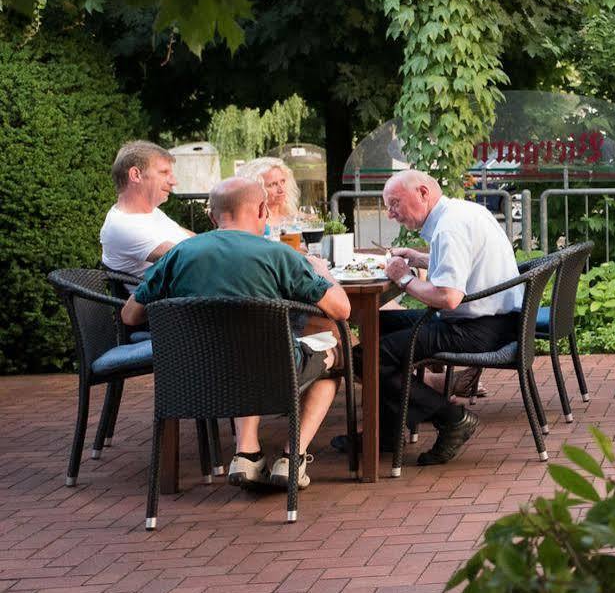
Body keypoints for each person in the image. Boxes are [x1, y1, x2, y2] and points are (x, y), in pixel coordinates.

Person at [118, 176, 348, 491]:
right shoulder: (279, 256)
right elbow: (342, 310)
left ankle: (247, 453)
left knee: (237, 353)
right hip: (274, 370)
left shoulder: (178, 255)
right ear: (263, 211)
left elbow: (130, 315)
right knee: (336, 358)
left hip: (193, 375)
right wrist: (323, 273)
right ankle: (292, 456)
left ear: (212, 217)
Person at [373, 169, 525, 465]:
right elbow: (463, 263)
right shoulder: (463, 212)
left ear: (422, 193)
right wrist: (419, 260)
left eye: (394, 203)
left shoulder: (448, 228)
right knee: (376, 327)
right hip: (497, 321)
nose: (391, 214)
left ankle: (452, 419)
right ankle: (386, 435)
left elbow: (448, 297)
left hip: (476, 328)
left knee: (367, 358)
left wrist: (403, 278)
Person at [100, 140, 194, 281]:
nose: (174, 181)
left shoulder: (151, 212)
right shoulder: (123, 226)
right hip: (175, 301)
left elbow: (193, 239)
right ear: (136, 175)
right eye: (164, 172)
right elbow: (189, 257)